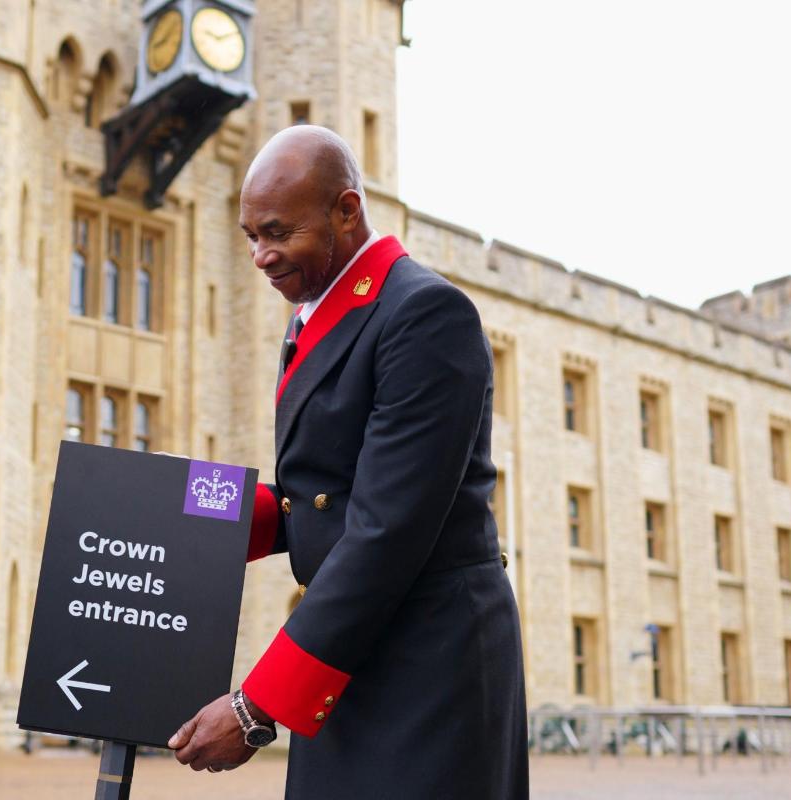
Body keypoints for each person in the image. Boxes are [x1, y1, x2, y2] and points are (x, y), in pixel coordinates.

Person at [167, 125, 528, 799]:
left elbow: (385, 531)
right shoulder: (317, 309)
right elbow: (322, 494)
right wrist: (178, 508)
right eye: (250, 236)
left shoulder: (425, 314)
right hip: (356, 649)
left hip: (429, 661)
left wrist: (254, 708)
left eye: (278, 232)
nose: (260, 256)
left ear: (347, 211)